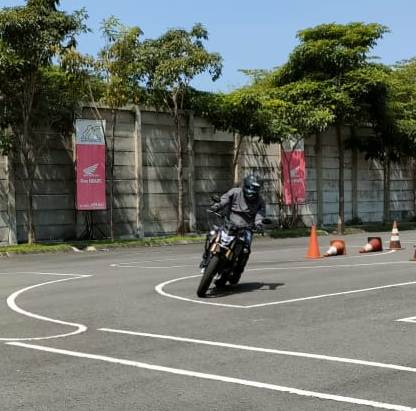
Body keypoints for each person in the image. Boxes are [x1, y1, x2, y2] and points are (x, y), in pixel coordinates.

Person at [200, 174, 266, 278]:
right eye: (250, 187)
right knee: (211, 234)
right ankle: (205, 259)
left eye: (255, 188)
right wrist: (216, 206)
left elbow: (260, 215)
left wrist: (259, 225)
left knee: (245, 250)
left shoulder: (260, 201)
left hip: (246, 228)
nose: (251, 191)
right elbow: (224, 200)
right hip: (229, 223)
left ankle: (237, 271)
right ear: (245, 185)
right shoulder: (235, 192)